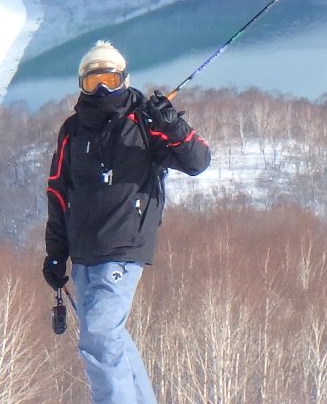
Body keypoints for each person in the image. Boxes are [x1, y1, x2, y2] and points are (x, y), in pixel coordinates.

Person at [42, 40, 211, 404]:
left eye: (110, 79)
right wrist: (56, 253)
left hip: (123, 244)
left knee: (99, 335)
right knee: (110, 336)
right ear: (81, 84)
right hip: (84, 251)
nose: (103, 89)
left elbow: (197, 161)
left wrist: (172, 122)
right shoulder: (73, 130)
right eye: (94, 82)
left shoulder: (145, 122)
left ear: (124, 79)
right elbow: (58, 191)